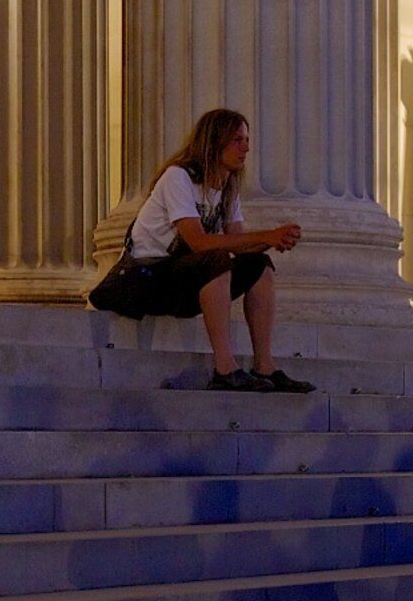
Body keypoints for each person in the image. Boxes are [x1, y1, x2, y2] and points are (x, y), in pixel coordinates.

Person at [88, 109, 305, 392]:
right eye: (237, 140)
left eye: (247, 140)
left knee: (259, 264)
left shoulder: (227, 188)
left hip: (180, 279)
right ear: (215, 142)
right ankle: (225, 368)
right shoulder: (178, 177)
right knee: (213, 258)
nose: (246, 148)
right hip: (145, 278)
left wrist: (275, 241)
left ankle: (265, 365)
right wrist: (267, 234)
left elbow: (239, 244)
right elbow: (199, 243)